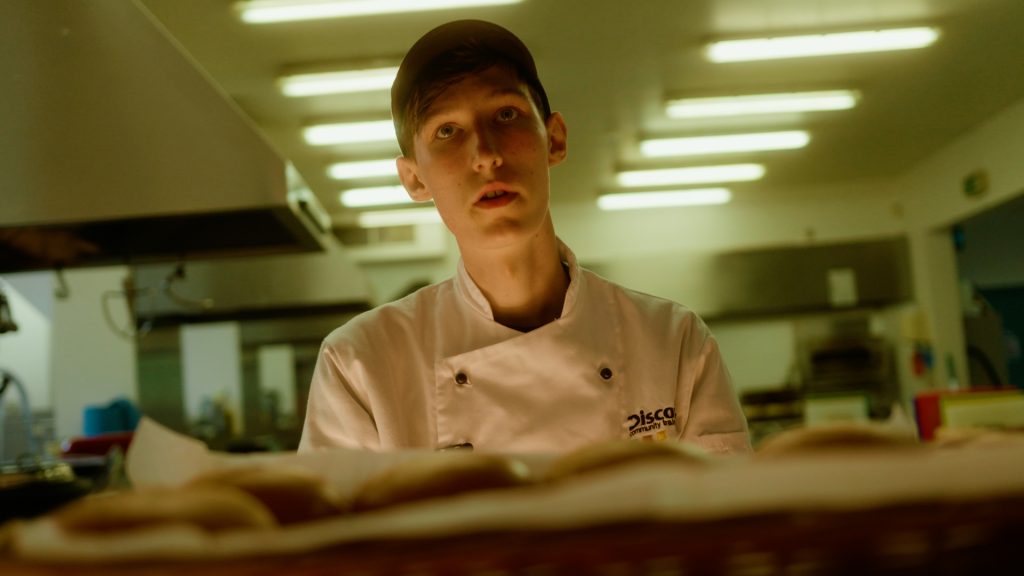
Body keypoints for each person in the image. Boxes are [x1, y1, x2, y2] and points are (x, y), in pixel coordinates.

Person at [299, 20, 750, 454]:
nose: (486, 155)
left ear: (554, 138)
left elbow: (732, 522)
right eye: (447, 131)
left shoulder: (672, 343)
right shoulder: (361, 365)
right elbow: (336, 529)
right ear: (414, 178)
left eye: (506, 114)